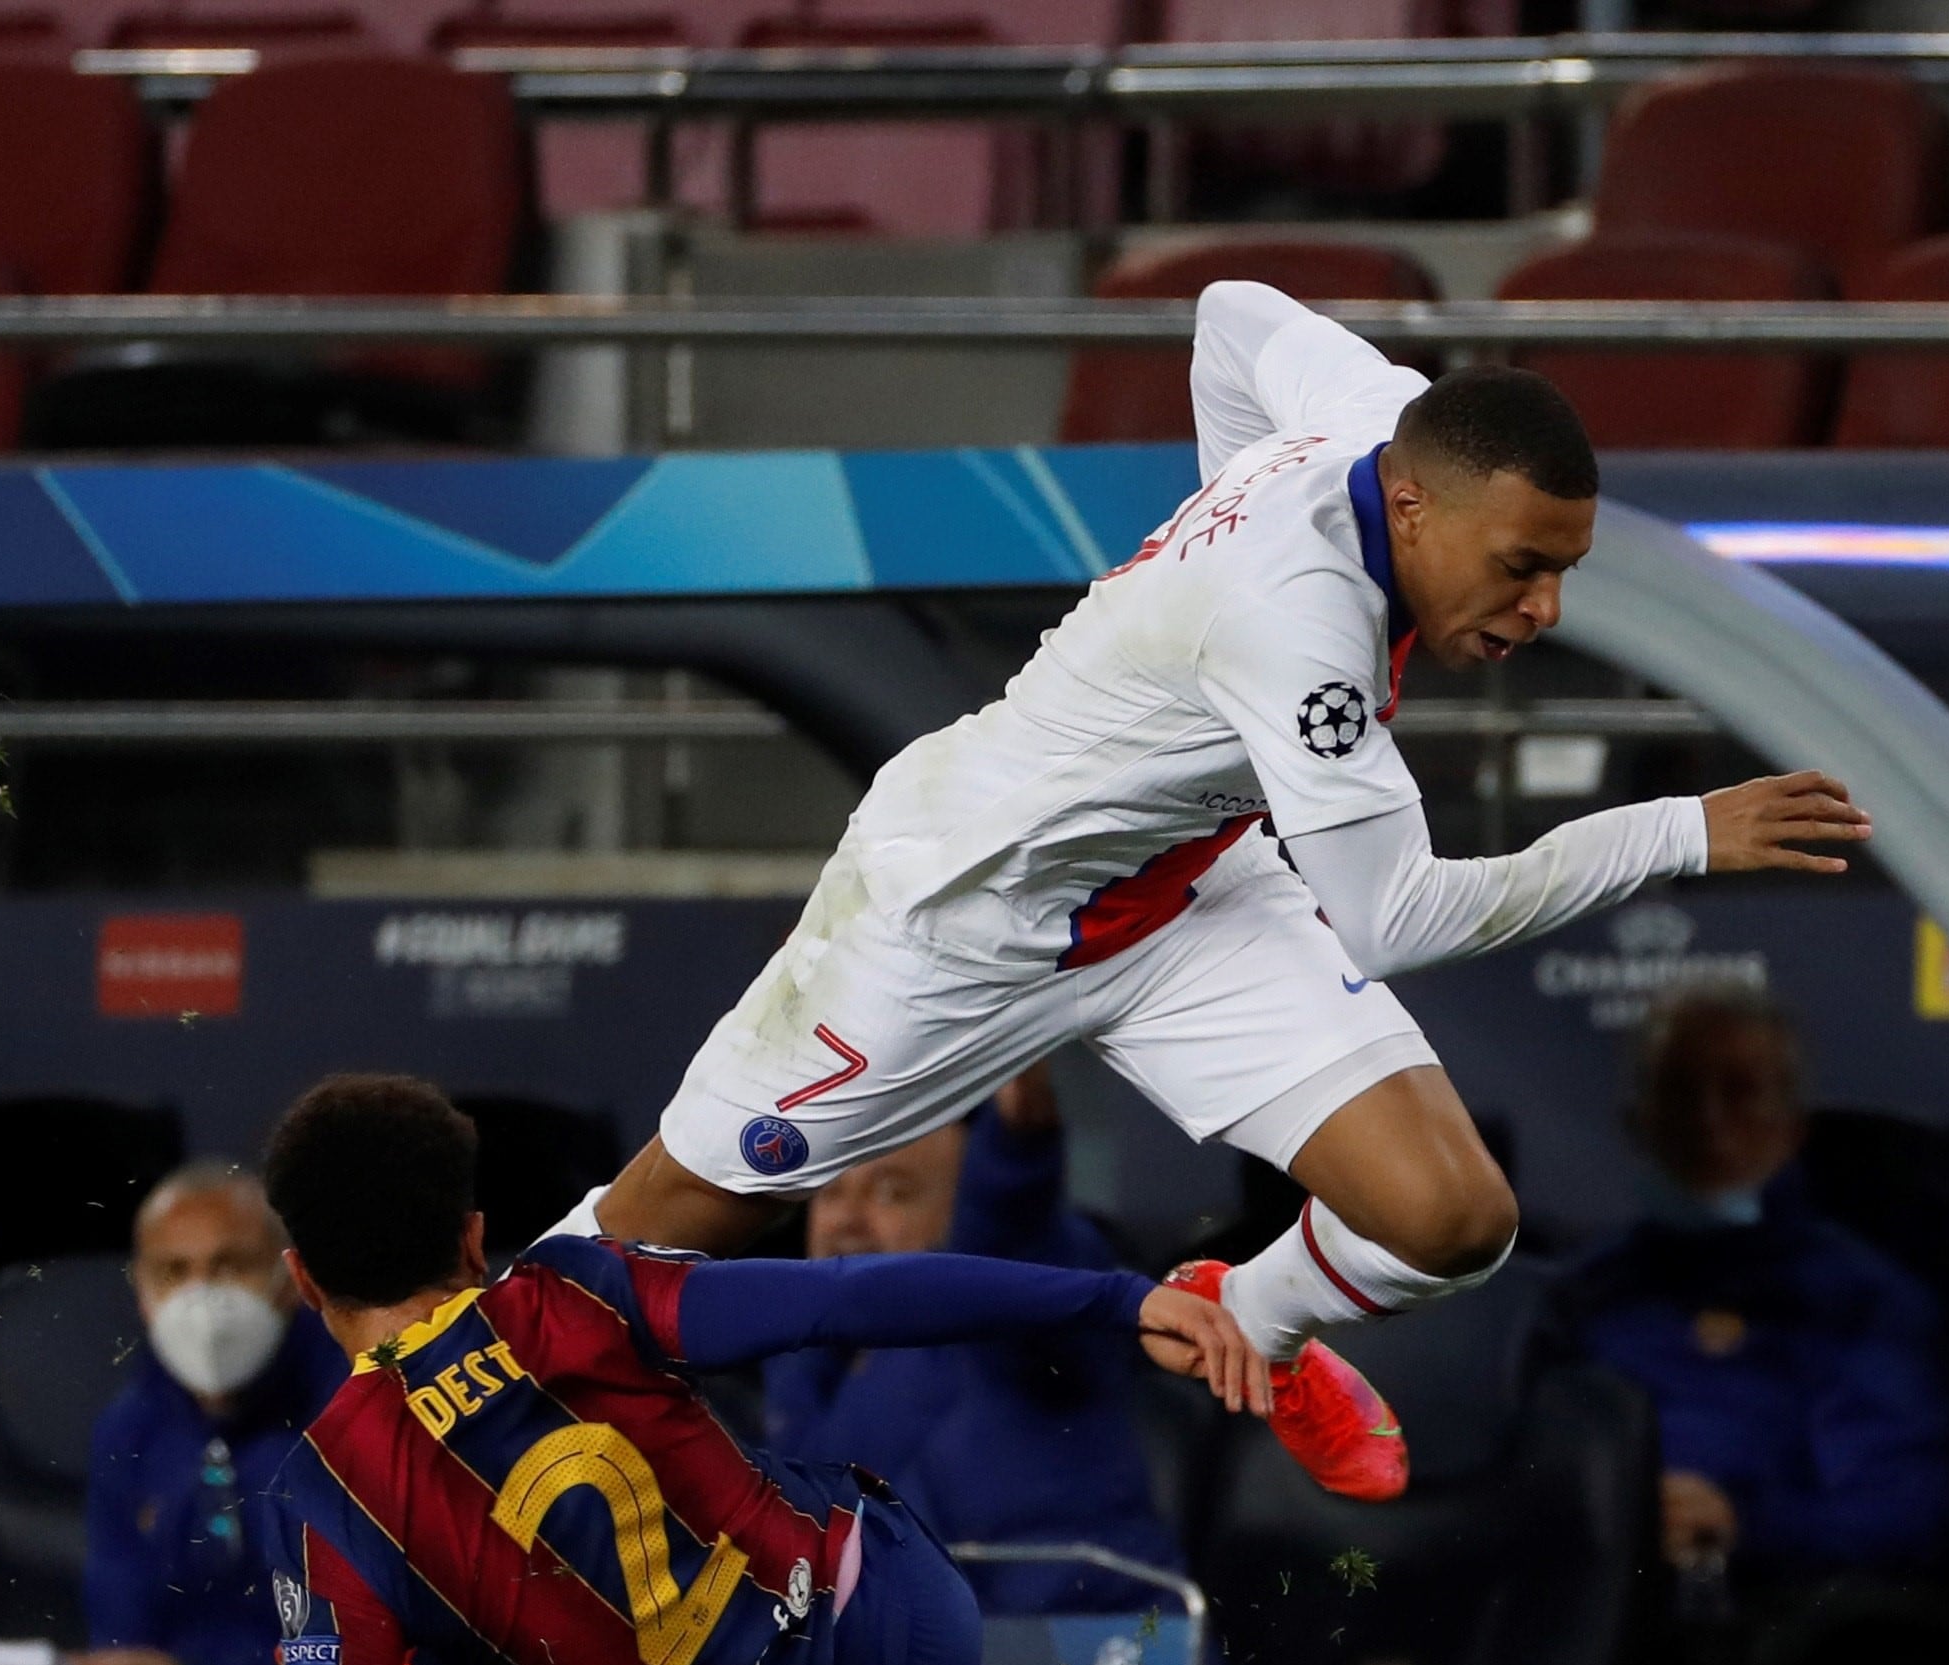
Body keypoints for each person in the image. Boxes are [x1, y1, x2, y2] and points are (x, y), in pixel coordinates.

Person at [560, 280, 1873, 1504]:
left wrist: (1219, 510)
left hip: (1188, 888)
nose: (1543, 606)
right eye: (1523, 564)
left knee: (1452, 1221)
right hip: (960, 915)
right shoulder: (1303, 632)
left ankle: (1250, 1317)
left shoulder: (1373, 418)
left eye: (1564, 570)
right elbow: (1394, 917)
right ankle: (455, 1399)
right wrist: (1675, 834)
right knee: (661, 1228)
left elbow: (1231, 312)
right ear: (1411, 505)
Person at [0, 1074, 1285, 1665]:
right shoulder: (578, 1290)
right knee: (760, 1607)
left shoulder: (329, 1493)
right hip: (916, 1621)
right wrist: (1125, 1296)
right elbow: (852, 1299)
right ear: (477, 1239)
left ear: (296, 1278)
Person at [1528, 986, 1949, 1592]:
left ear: (1794, 1125)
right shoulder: (1580, 1292)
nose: (1709, 1121)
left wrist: (1741, 1523)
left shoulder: (1861, 1303)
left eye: (1741, 1092)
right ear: (1636, 1122)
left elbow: (1903, 1510)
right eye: (1680, 1092)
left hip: (1745, 1620)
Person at [766, 1065, 1193, 1617]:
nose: (846, 1219)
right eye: (829, 1193)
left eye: (893, 1192)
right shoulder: (786, 1374)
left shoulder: (1018, 1316)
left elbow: (1010, 1234)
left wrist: (1015, 1148)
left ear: (957, 1215)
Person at [0, 1161, 345, 1665]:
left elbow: (365, 1653)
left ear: (290, 1276)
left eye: (231, 1266)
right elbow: (123, 1632)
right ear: (142, 1293)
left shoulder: (354, 1409)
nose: (205, 1298)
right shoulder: (130, 1427)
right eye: (176, 1271)